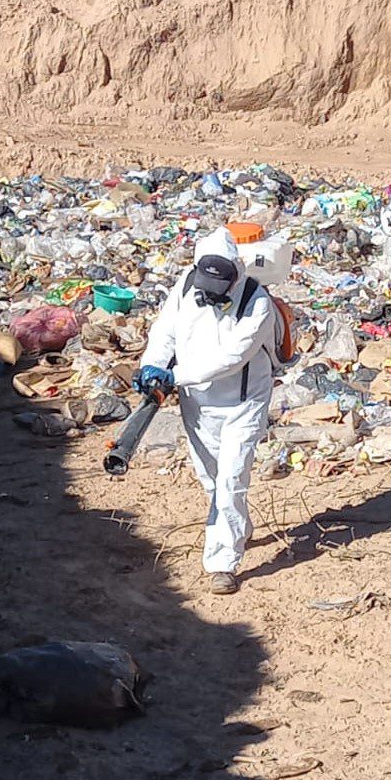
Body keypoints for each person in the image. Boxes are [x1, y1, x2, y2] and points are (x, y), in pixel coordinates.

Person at [136, 226, 275, 595]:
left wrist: (174, 375)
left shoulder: (257, 303)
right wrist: (151, 366)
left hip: (243, 403)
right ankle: (238, 528)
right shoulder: (185, 285)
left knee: (231, 478)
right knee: (212, 479)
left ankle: (222, 563)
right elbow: (165, 331)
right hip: (197, 402)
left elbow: (231, 358)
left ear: (236, 275)